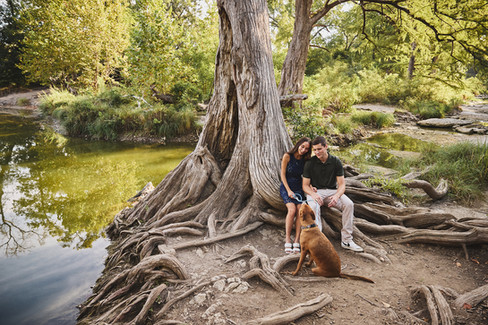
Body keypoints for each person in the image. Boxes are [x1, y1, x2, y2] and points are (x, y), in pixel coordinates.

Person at [302, 136, 364, 252]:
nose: (316, 152)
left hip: (332, 191)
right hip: (315, 192)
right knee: (314, 207)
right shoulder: (310, 163)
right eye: (314, 150)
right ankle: (318, 242)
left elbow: (342, 185)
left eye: (319, 149)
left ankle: (346, 240)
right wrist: (314, 195)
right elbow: (305, 185)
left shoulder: (335, 161)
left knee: (349, 204)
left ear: (326, 147)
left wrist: (336, 196)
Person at [280, 137, 311, 254]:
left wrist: (311, 186)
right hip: (286, 186)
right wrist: (288, 190)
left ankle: (297, 240)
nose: (303, 150)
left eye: (306, 149)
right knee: (292, 209)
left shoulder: (305, 160)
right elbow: (282, 175)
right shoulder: (287, 156)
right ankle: (287, 238)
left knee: (299, 210)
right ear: (298, 145)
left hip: (299, 186)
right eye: (302, 147)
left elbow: (306, 176)